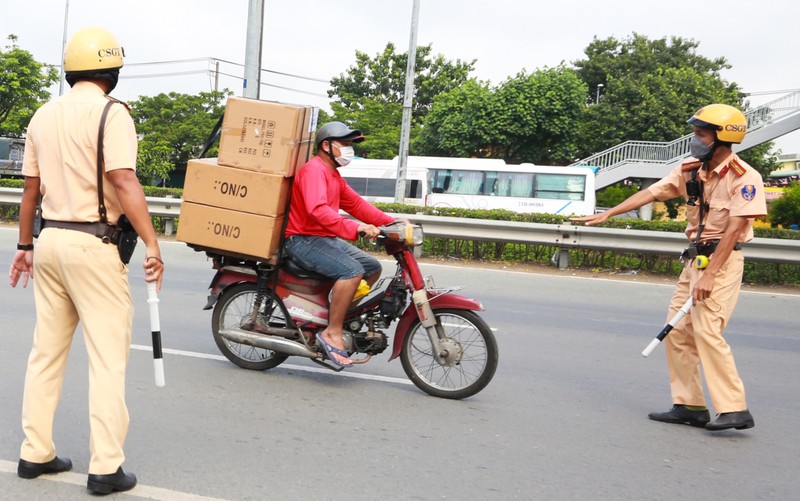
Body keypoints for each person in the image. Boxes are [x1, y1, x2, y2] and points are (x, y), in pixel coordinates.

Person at [8, 26, 164, 494]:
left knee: (45, 353)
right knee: (107, 359)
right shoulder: (112, 114)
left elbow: (30, 191)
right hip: (94, 246)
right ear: (112, 71)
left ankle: (34, 452)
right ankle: (105, 467)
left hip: (50, 242)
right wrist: (152, 242)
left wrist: (24, 247)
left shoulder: (42, 114)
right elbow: (123, 179)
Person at [571, 104, 766, 431]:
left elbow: (734, 230)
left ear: (721, 139)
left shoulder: (744, 178)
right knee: (677, 331)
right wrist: (609, 213)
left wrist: (712, 274)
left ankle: (735, 408)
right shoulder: (692, 170)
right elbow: (653, 191)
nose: (694, 139)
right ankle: (689, 404)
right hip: (693, 261)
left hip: (721, 261)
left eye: (701, 134)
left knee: (707, 330)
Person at [284, 121, 396, 367]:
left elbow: (356, 205)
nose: (349, 149)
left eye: (350, 144)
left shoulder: (332, 174)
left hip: (322, 238)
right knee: (351, 271)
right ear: (326, 145)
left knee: (371, 267)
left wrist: (393, 222)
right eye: (344, 144)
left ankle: (336, 314)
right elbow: (318, 211)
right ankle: (332, 331)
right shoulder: (314, 170)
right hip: (302, 239)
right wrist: (356, 228)